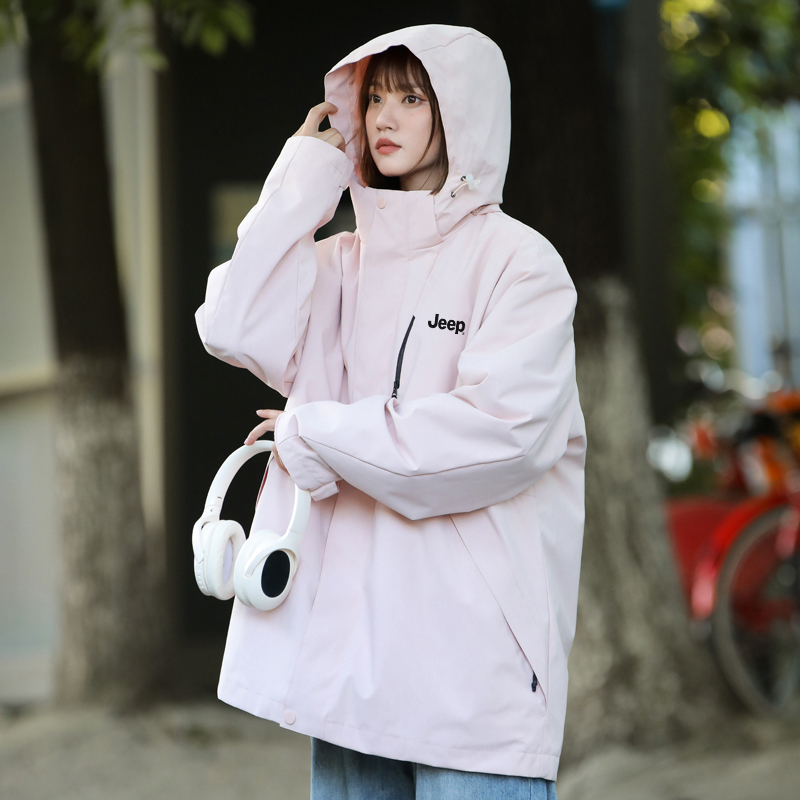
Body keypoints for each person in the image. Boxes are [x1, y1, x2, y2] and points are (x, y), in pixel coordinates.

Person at [196, 23, 586, 800]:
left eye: (411, 98)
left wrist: (315, 432)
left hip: (470, 669)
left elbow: (497, 437)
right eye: (374, 98)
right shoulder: (340, 263)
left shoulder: (519, 263)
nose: (384, 117)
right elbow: (232, 327)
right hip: (350, 662)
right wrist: (306, 176)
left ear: (461, 110)